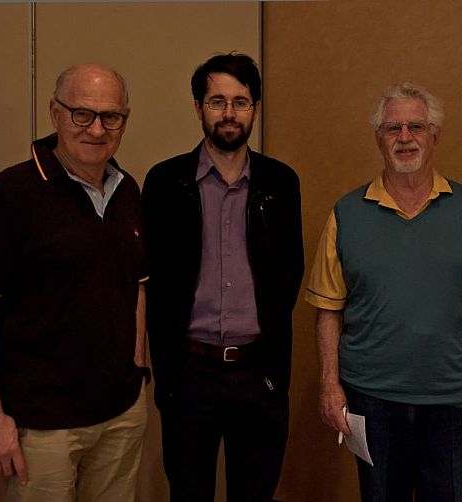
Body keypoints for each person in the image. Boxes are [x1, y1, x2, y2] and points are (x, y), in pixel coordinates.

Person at [0, 64, 148, 502]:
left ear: (124, 121)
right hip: (42, 426)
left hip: (121, 416)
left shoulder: (128, 191)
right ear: (55, 113)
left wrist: (137, 370)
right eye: (82, 113)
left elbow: (137, 286)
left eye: (111, 116)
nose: (96, 129)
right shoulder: (11, 193)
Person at [306, 82, 462, 501]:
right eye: (393, 128)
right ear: (379, 138)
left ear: (435, 136)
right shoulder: (346, 214)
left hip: (455, 400)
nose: (405, 137)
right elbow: (328, 310)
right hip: (372, 399)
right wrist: (329, 384)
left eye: (417, 126)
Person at [142, 53, 304, 502]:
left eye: (240, 101)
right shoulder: (165, 182)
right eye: (217, 101)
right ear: (198, 108)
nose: (229, 113)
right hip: (189, 373)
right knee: (188, 492)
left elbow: (290, 273)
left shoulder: (281, 183)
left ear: (255, 109)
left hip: (259, 373)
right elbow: (151, 280)